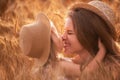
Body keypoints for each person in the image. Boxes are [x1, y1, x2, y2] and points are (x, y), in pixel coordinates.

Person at [62, 1, 120, 80]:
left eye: (70, 33)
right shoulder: (63, 64)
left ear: (89, 34)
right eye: (64, 31)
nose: (63, 37)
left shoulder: (113, 70)